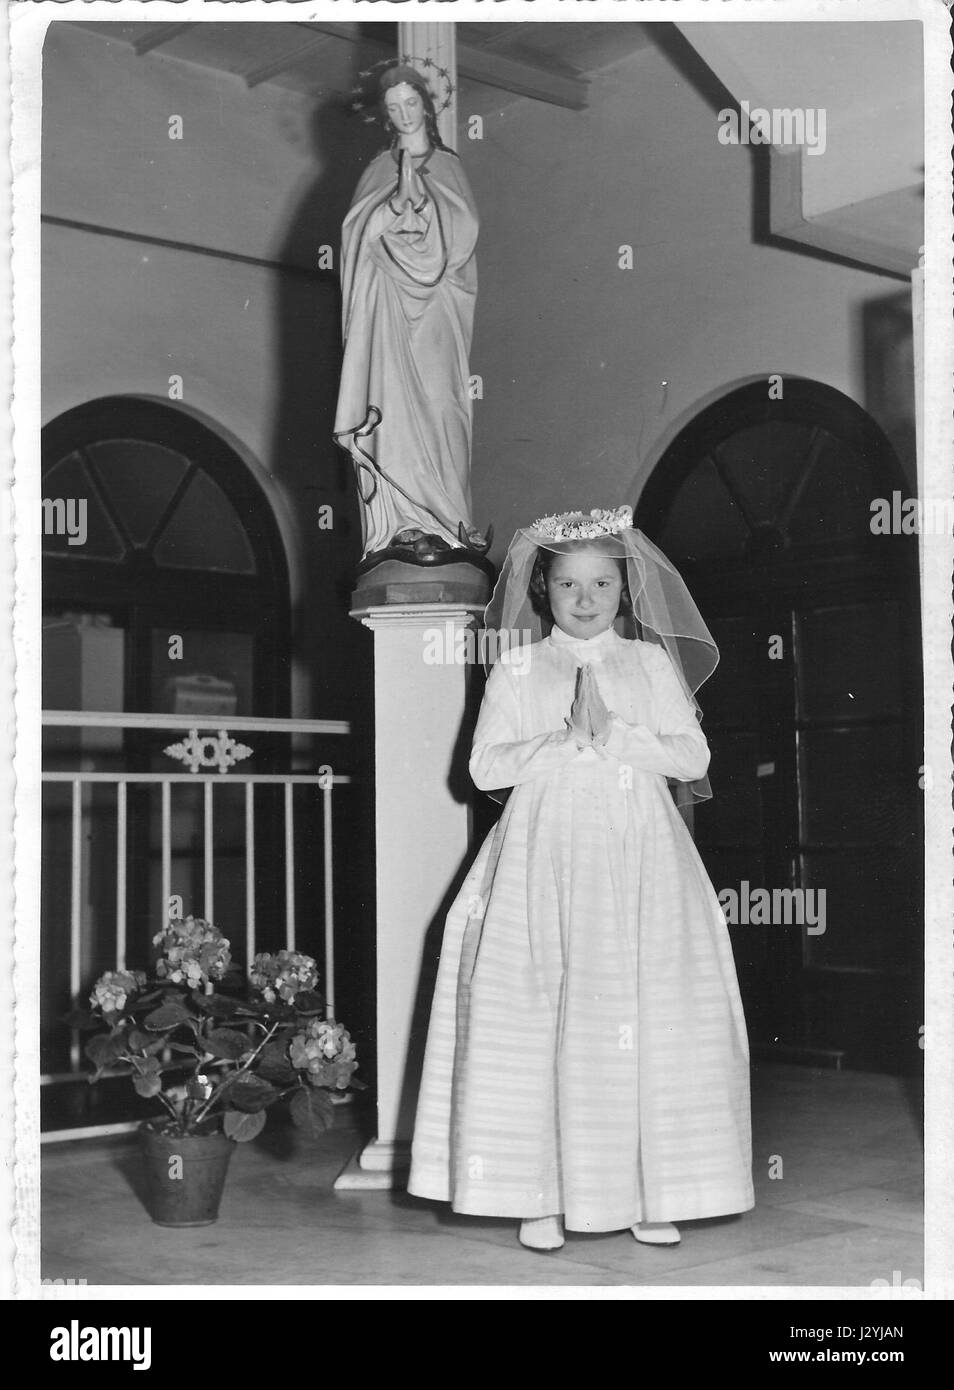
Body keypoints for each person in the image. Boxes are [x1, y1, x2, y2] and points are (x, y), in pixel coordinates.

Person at [407, 505, 754, 1251]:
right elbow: (484, 766)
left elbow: (692, 759)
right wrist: (565, 740)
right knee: (543, 1010)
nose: (586, 598)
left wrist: (618, 736)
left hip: (639, 859)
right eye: (569, 584)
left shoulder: (649, 665)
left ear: (624, 592)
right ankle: (542, 1192)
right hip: (546, 855)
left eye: (601, 582)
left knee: (644, 1012)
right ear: (545, 591)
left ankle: (646, 1191)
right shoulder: (519, 667)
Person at [334, 65, 483, 560]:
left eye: (410, 104)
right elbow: (357, 234)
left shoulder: (447, 165)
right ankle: (398, 526)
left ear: (426, 106)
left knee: (441, 405)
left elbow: (459, 239)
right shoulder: (377, 170)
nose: (402, 114)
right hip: (387, 311)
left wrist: (419, 206)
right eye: (393, 108)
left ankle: (446, 524)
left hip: (436, 311)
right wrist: (392, 209)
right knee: (390, 411)